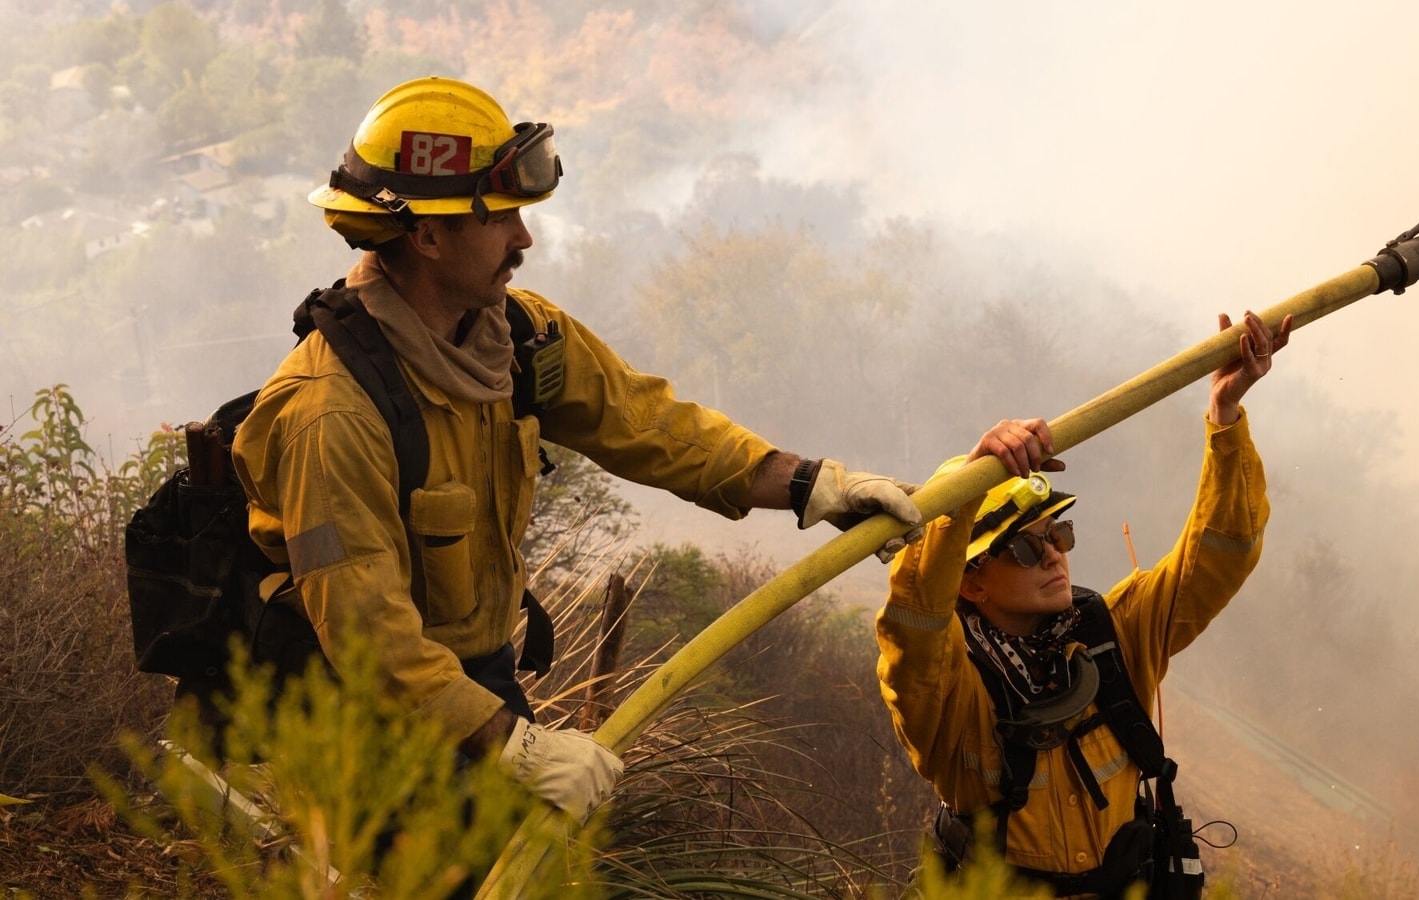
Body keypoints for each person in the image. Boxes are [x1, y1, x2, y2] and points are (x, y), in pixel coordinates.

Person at [227, 76, 922, 825]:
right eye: (498, 218)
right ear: (426, 235)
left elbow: (647, 423)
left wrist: (809, 486)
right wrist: (514, 749)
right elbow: (369, 643)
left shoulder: (518, 338)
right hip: (352, 723)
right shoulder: (331, 414)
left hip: (474, 687)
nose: (525, 240)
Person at [875, 310, 1292, 897]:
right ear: (971, 582)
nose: (1053, 556)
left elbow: (1224, 552)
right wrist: (963, 490)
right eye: (1024, 547)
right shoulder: (948, 692)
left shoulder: (1112, 635)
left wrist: (1225, 414)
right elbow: (914, 622)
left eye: (1059, 535)